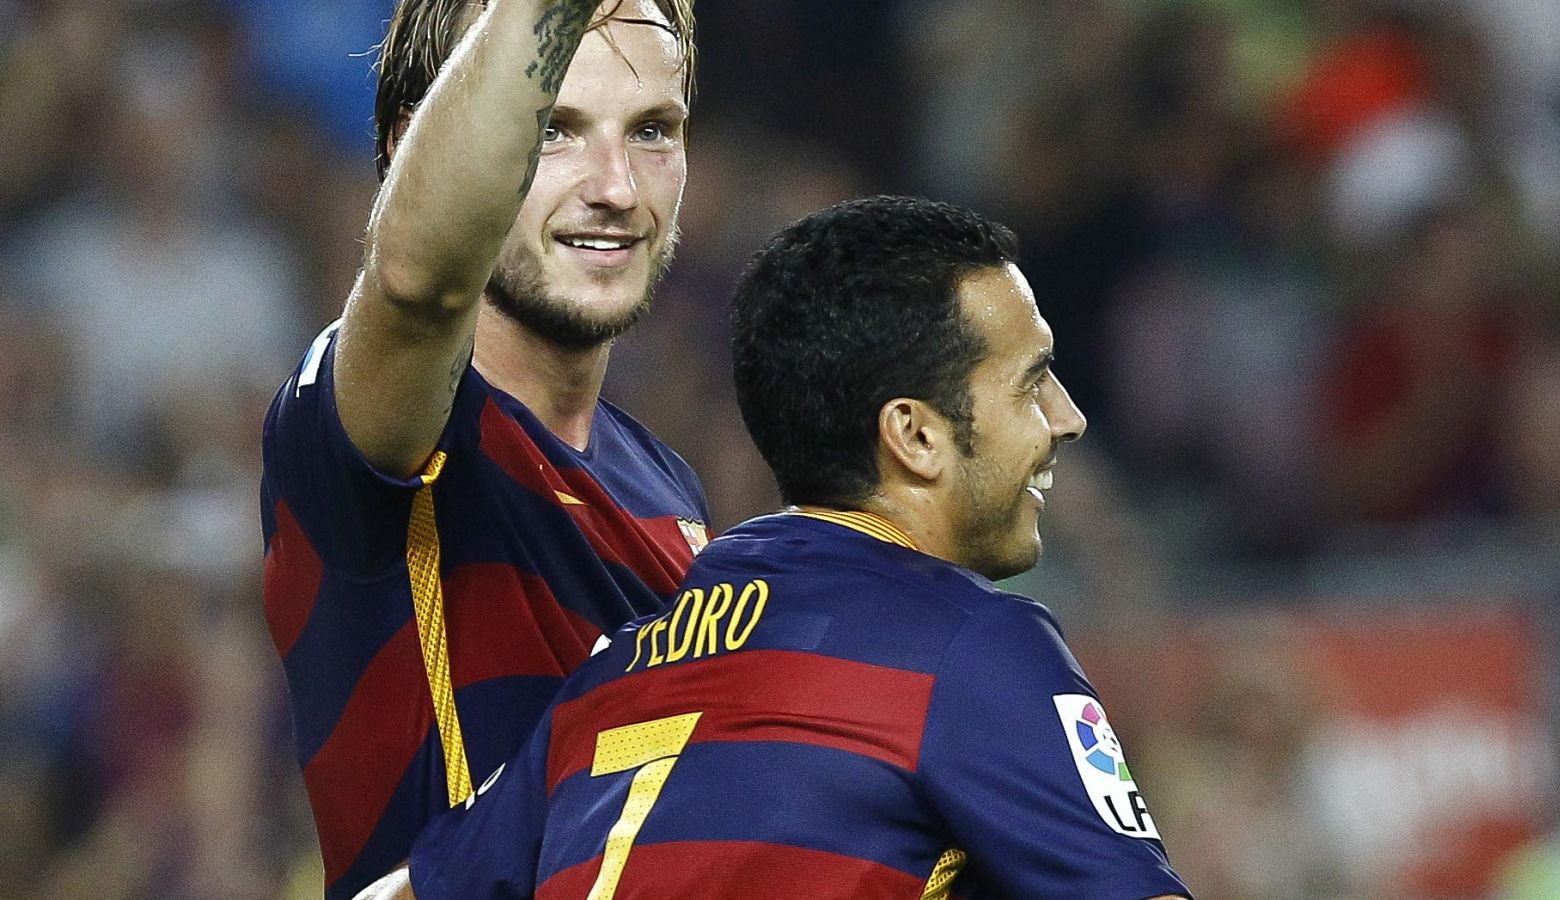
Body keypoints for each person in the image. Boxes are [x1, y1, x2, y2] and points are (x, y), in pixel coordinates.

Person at [390, 196, 1191, 899]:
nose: (1067, 417)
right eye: (1031, 382)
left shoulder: (609, 679)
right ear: (914, 436)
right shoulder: (970, 648)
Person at [258, 1, 707, 897]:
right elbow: (415, 283)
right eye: (553, 129)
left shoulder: (670, 487)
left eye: (652, 130)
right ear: (409, 146)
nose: (617, 188)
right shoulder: (367, 422)